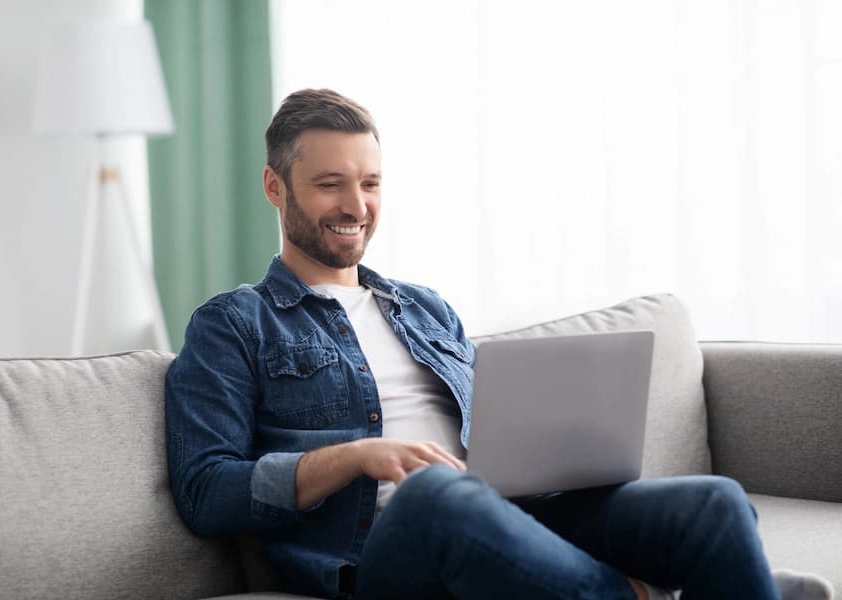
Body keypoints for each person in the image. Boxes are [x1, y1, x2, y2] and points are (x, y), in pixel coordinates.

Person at [164, 88, 834, 600]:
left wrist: (566, 449)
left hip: (509, 517)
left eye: (370, 183)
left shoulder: (423, 307)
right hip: (383, 549)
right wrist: (358, 455)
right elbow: (205, 491)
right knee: (437, 495)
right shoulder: (235, 323)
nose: (357, 205)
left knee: (713, 505)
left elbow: (502, 439)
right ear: (275, 187)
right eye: (330, 184)